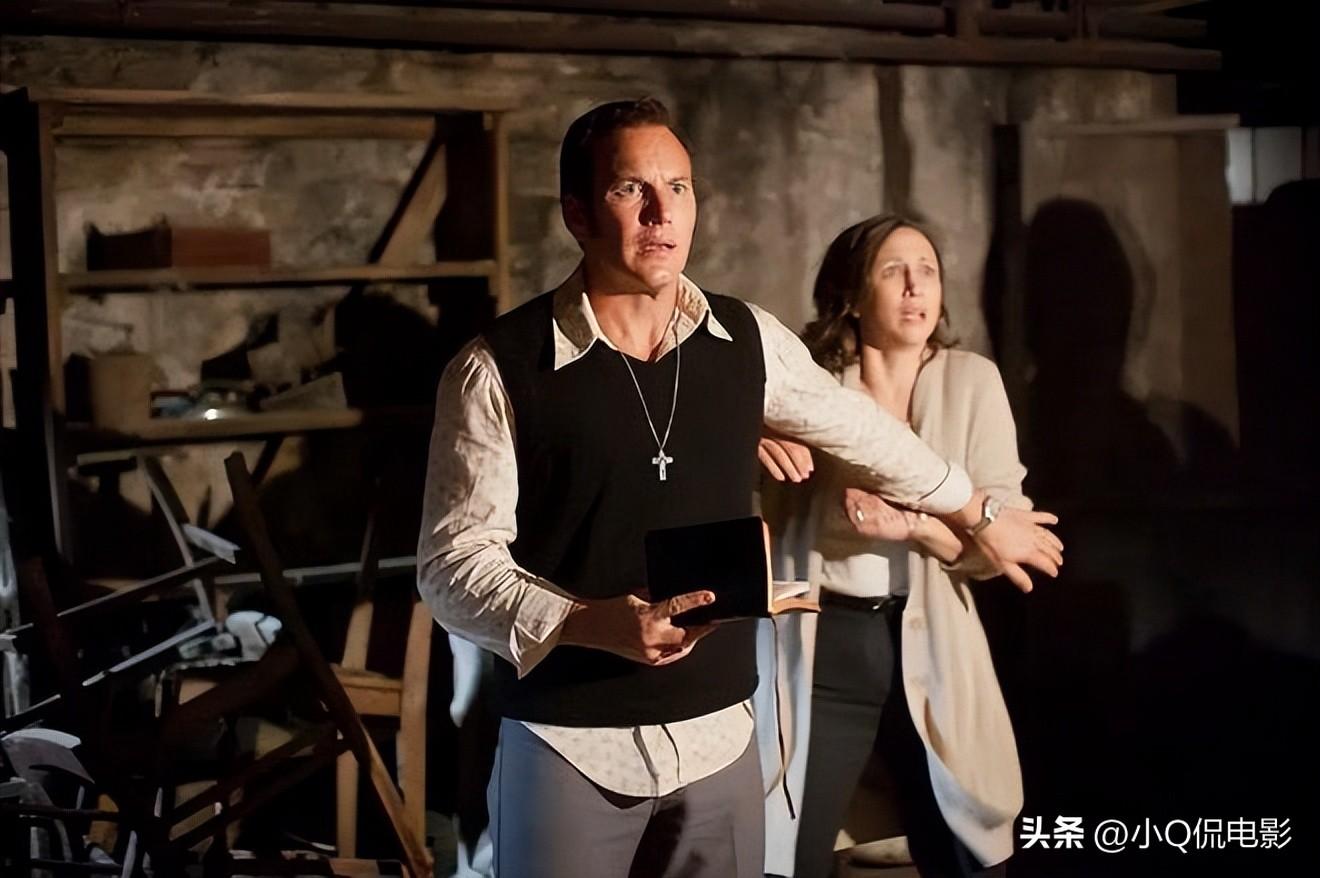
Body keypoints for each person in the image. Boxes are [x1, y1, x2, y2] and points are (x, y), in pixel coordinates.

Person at [418, 100, 1061, 878]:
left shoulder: (745, 340)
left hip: (720, 740)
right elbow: (451, 568)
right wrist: (585, 621)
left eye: (679, 188)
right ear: (578, 214)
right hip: (570, 744)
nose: (662, 213)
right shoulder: (497, 368)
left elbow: (866, 434)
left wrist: (972, 507)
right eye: (631, 189)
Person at [755, 215, 1058, 878]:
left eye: (928, 271)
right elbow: (756, 503)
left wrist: (919, 525)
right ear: (853, 295)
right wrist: (754, 438)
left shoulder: (972, 380)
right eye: (893, 270)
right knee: (788, 845)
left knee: (967, 844)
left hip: (935, 638)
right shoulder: (812, 385)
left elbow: (1001, 536)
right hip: (827, 642)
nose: (916, 287)